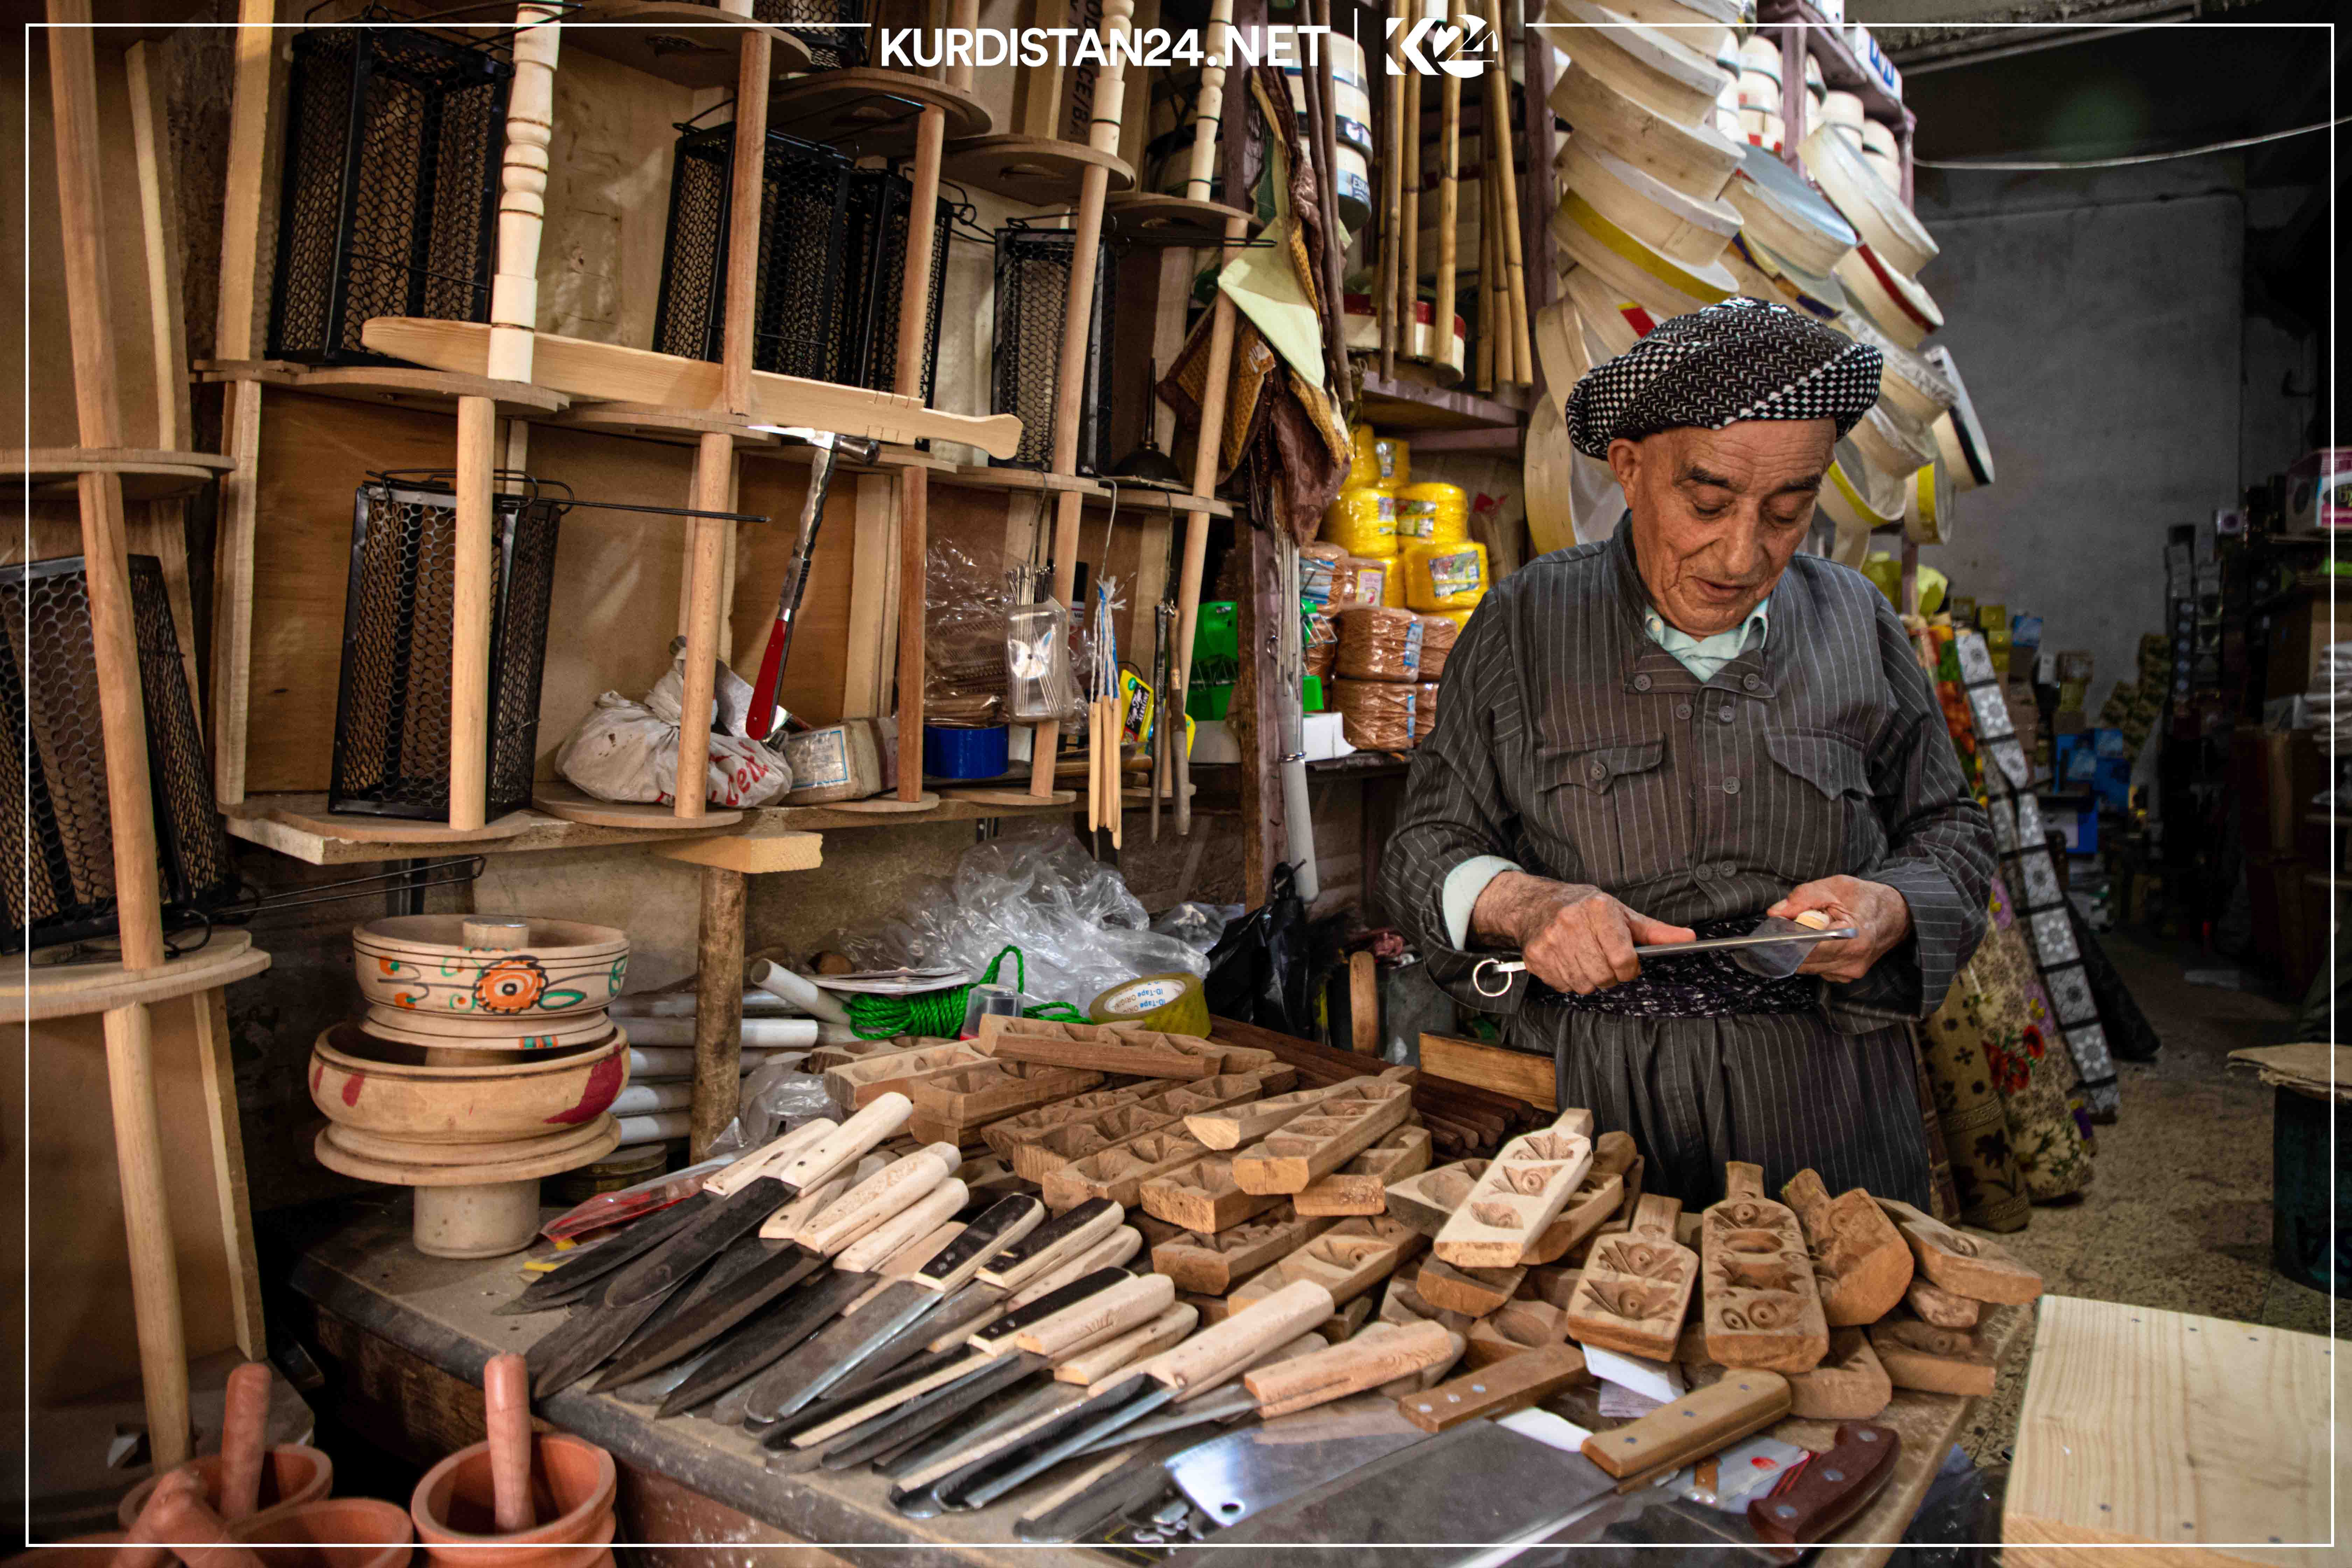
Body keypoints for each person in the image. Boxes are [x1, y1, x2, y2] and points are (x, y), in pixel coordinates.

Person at [1381, 297, 1995, 1208]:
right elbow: (1421, 850)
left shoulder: (1859, 623)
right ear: (1629, 470)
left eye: (1789, 511)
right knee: (1599, 1336)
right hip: (1590, 1105)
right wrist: (1523, 901)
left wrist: (1895, 905)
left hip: (1826, 1103)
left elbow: (1953, 831)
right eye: (1706, 502)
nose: (1743, 552)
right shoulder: (1523, 625)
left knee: (1829, 1332)